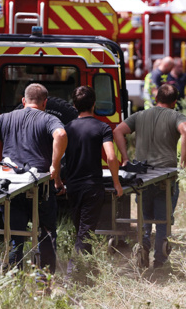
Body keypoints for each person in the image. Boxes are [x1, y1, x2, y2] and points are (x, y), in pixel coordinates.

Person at [0, 83, 67, 273]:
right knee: (46, 233)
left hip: (11, 188)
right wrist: (55, 165)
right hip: (41, 189)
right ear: (45, 102)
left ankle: (13, 280)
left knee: (14, 236)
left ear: (23, 101)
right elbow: (60, 134)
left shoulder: (6, 118)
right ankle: (44, 282)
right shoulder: (48, 119)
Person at [114, 84, 186, 268]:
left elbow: (118, 131)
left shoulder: (140, 115)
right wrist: (184, 161)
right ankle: (160, 261)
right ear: (174, 102)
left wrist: (125, 158)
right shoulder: (176, 116)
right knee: (163, 219)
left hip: (142, 176)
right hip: (165, 177)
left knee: (144, 218)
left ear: (156, 98)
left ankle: (142, 251)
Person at [63, 86, 123, 273]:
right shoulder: (102, 127)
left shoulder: (67, 128)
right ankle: (71, 275)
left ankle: (87, 271)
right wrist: (116, 182)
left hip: (72, 186)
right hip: (92, 187)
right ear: (94, 104)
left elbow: (58, 157)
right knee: (85, 232)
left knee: (83, 231)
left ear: (74, 105)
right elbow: (111, 157)